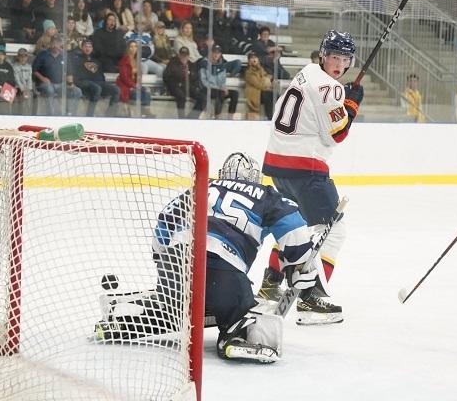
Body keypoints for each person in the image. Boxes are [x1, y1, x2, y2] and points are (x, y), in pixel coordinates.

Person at [95, 153, 321, 363]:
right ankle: (234, 334)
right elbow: (293, 226)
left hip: (176, 262)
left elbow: (165, 221)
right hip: (222, 269)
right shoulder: (265, 194)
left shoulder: (203, 186)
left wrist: (163, 263)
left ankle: (125, 321)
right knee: (240, 308)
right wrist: (297, 266)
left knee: (178, 309)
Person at [256, 30, 364, 326]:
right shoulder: (331, 88)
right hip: (306, 169)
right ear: (323, 56)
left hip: (278, 166)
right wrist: (352, 105)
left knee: (293, 227)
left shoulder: (305, 74)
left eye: (344, 59)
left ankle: (270, 283)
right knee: (332, 232)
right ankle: (310, 297)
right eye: (334, 57)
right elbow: (337, 135)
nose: (339, 64)